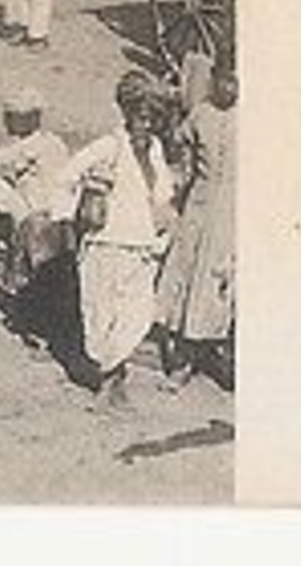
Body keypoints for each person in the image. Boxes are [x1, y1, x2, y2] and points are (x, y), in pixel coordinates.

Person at [63, 70, 178, 405]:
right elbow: (67, 176)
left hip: (142, 245)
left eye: (152, 119)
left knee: (136, 315)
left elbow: (162, 193)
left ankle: (114, 375)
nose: (146, 125)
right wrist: (92, 189)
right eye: (140, 117)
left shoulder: (154, 149)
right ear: (127, 114)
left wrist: (165, 223)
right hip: (106, 242)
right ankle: (111, 380)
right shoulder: (108, 146)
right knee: (101, 316)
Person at [155, 64, 237, 390]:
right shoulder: (202, 114)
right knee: (189, 276)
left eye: (236, 82)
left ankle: (221, 354)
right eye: (224, 81)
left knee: (222, 281)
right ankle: (184, 358)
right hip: (200, 206)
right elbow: (179, 148)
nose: (229, 88)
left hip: (234, 210)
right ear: (215, 80)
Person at [0, 86, 70, 294]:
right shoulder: (52, 142)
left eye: (12, 117)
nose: (6, 121)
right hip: (58, 206)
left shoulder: (30, 146)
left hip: (39, 207)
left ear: (29, 119)